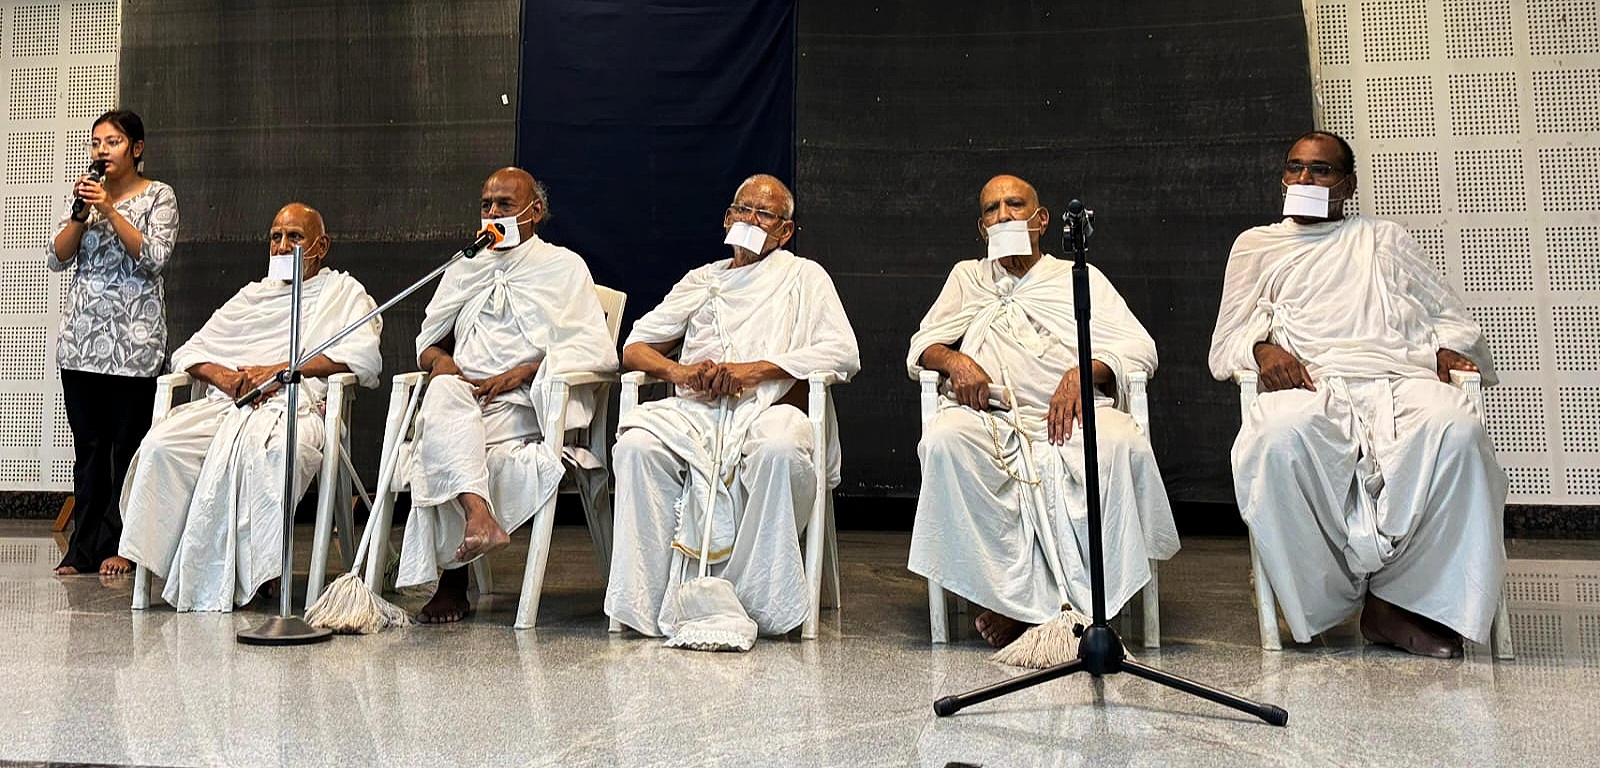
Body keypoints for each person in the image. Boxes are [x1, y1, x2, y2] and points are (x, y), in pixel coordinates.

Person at [1208, 130, 1507, 658]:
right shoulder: (1256, 245)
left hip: (1398, 377)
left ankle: (1399, 604)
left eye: (1320, 170)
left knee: (1456, 429)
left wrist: (1446, 349)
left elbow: (1447, 316)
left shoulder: (1383, 238)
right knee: (1275, 439)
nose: (1304, 178)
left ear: (1347, 186)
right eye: (1295, 168)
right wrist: (1261, 350)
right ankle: (1319, 602)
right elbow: (1224, 343)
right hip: (1313, 382)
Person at [907, 174, 1179, 648]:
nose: (1003, 216)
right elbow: (922, 346)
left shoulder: (1077, 276)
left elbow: (1141, 348)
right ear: (981, 227)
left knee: (1121, 443)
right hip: (992, 418)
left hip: (1074, 417)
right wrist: (954, 361)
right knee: (944, 440)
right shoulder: (968, 277)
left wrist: (1083, 372)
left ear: (1042, 219)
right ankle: (1009, 597)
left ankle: (1074, 605)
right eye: (991, 209)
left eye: (1015, 205)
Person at [605, 174, 860, 643]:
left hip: (772, 408)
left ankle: (758, 601)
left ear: (785, 231)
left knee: (779, 447)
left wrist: (754, 371)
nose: (750, 220)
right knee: (637, 446)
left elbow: (843, 352)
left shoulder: (804, 277)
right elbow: (635, 346)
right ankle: (651, 603)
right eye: (743, 210)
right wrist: (683, 373)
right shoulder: (702, 280)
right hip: (697, 412)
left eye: (764, 214)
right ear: (727, 219)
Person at [117, 204, 382, 610]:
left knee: (273, 453)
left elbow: (361, 357)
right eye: (275, 237)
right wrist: (223, 377)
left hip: (297, 407)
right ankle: (172, 567)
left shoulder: (343, 294)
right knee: (161, 446)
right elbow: (191, 352)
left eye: (294, 237)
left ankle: (260, 570)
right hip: (230, 406)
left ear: (321, 246)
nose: (282, 246)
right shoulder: (252, 296)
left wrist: (283, 371)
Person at [397, 168, 617, 623]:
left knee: (441, 441)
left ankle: (452, 579)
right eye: (486, 205)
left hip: (528, 405)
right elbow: (427, 344)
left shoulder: (563, 266)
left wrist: (523, 372)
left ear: (534, 212)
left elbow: (597, 350)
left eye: (504, 204)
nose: (493, 213)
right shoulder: (465, 266)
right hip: (466, 397)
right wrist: (442, 363)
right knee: (443, 394)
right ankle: (478, 516)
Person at [46, 109, 179, 576]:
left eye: (113, 142)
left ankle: (125, 545)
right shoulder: (86, 195)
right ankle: (82, 549)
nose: (102, 150)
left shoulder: (159, 195)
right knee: (89, 451)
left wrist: (109, 209)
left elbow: (155, 257)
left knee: (127, 448)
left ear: (136, 149)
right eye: (97, 142)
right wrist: (81, 215)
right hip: (82, 342)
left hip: (134, 345)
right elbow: (57, 257)